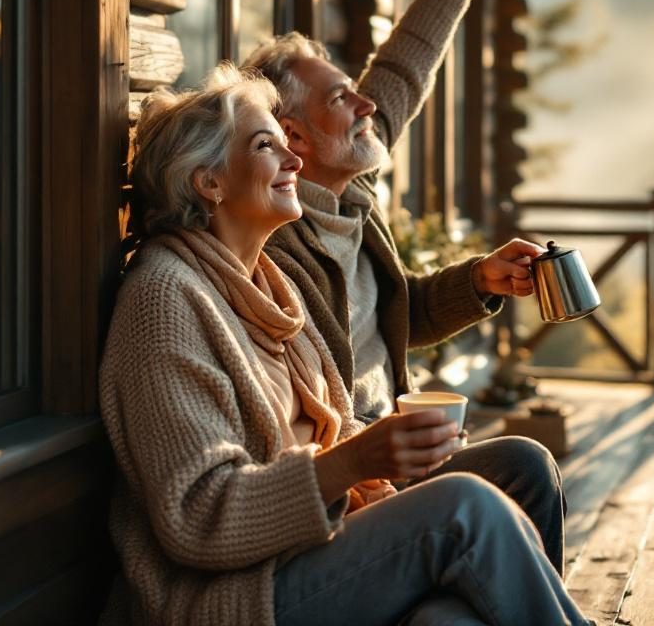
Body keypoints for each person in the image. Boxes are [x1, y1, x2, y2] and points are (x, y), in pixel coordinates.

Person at [100, 65, 591, 625]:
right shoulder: (165, 299)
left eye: (289, 145)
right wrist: (355, 461)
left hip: (322, 538)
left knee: (518, 470)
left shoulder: (268, 285)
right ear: (208, 182)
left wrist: (370, 463)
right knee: (463, 508)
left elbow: (333, 423)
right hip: (240, 595)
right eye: (268, 146)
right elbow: (198, 518)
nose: (294, 162)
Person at [245, 0, 567, 571]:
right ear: (290, 137)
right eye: (340, 97)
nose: (366, 103)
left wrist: (479, 280)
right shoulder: (266, 239)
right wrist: (362, 467)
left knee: (528, 465)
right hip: (350, 484)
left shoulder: (352, 197)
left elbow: (410, 58)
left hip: (399, 455)